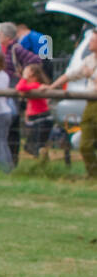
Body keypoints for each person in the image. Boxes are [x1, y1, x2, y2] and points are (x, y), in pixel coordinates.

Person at [44, 29, 97, 177]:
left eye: (93, 41)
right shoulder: (89, 60)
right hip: (91, 104)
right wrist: (51, 87)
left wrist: (91, 75)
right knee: (85, 144)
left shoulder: (90, 66)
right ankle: (93, 176)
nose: (90, 44)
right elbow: (70, 74)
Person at [16, 63, 53, 157]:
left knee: (37, 146)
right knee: (32, 146)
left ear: (32, 73)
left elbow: (19, 87)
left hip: (42, 119)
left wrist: (24, 77)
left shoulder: (35, 85)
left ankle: (42, 165)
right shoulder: (33, 86)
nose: (24, 72)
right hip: (36, 119)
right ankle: (42, 163)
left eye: (27, 71)